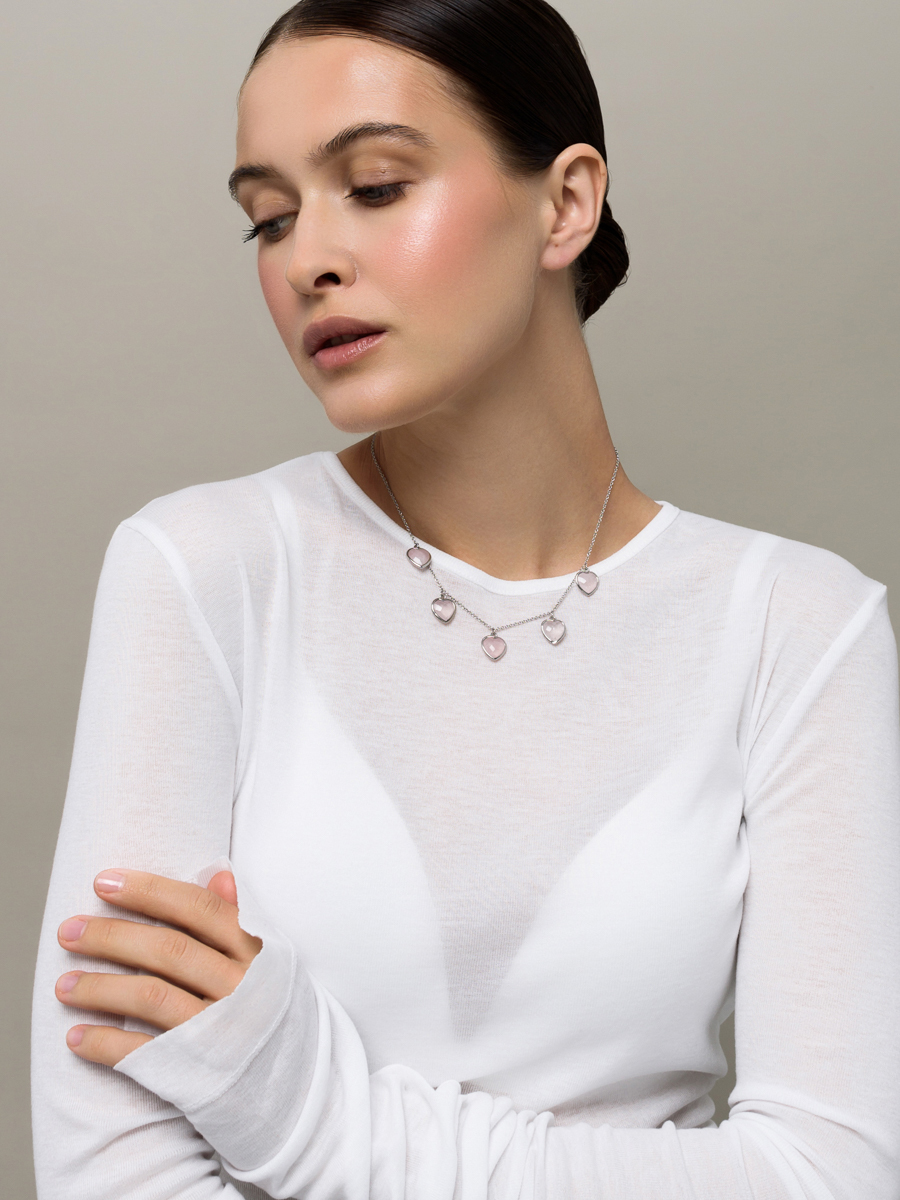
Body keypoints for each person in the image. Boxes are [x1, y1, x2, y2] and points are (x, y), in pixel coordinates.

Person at [30, 0, 900, 1196]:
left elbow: (828, 1176)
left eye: (375, 186)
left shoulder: (800, 629)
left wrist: (309, 1115)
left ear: (566, 203)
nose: (306, 259)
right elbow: (109, 1174)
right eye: (270, 218)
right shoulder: (204, 570)